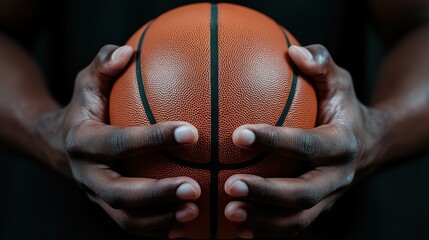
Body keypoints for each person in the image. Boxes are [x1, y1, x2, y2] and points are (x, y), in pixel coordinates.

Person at [1, 0, 429, 239]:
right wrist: (46, 129)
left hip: (329, 223)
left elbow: (419, 24)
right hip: (74, 221)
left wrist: (378, 131)